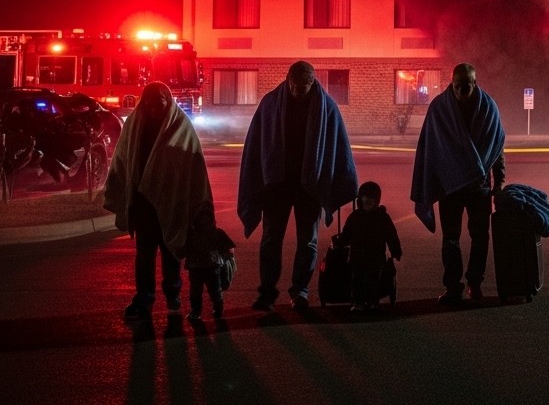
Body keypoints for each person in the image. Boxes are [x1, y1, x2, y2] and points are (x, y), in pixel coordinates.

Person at [238, 61, 359, 311]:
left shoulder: (327, 108)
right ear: (287, 80)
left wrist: (339, 182)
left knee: (308, 241)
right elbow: (255, 146)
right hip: (278, 185)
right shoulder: (271, 103)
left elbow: (338, 147)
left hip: (309, 186)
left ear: (312, 82)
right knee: (271, 240)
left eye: (304, 87)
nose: (298, 92)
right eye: (294, 87)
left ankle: (299, 291)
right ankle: (267, 294)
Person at [103, 82, 212, 322]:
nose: (153, 110)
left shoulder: (180, 126)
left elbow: (193, 164)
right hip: (143, 203)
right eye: (150, 105)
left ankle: (172, 292)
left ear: (168, 103)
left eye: (159, 105)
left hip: (171, 200)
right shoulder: (134, 123)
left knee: (171, 249)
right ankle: (144, 297)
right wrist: (118, 188)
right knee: (144, 253)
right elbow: (123, 157)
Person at [411, 63, 506, 305]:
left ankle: (475, 282)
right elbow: (429, 148)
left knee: (480, 236)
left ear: (475, 83)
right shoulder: (440, 108)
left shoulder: (488, 109)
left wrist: (500, 182)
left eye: (467, 86)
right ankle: (453, 286)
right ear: (451, 84)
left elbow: (497, 148)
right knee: (450, 238)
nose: (461, 91)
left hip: (479, 186)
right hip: (450, 187)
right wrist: (429, 182)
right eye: (457, 86)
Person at [337, 181, 402, 311]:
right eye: (366, 199)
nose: (368, 202)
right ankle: (358, 302)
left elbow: (391, 236)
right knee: (358, 281)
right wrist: (340, 242)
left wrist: (396, 250)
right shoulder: (357, 217)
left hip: (374, 257)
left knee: (372, 281)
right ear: (360, 200)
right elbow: (347, 234)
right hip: (360, 257)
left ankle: (371, 301)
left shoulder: (380, 217)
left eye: (371, 199)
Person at [183, 204, 235, 321]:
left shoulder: (193, 234)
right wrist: (227, 259)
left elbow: (184, 249)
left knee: (199, 291)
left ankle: (198, 311)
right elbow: (230, 247)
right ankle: (216, 310)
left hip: (200, 267)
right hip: (209, 266)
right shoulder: (215, 233)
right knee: (212, 290)